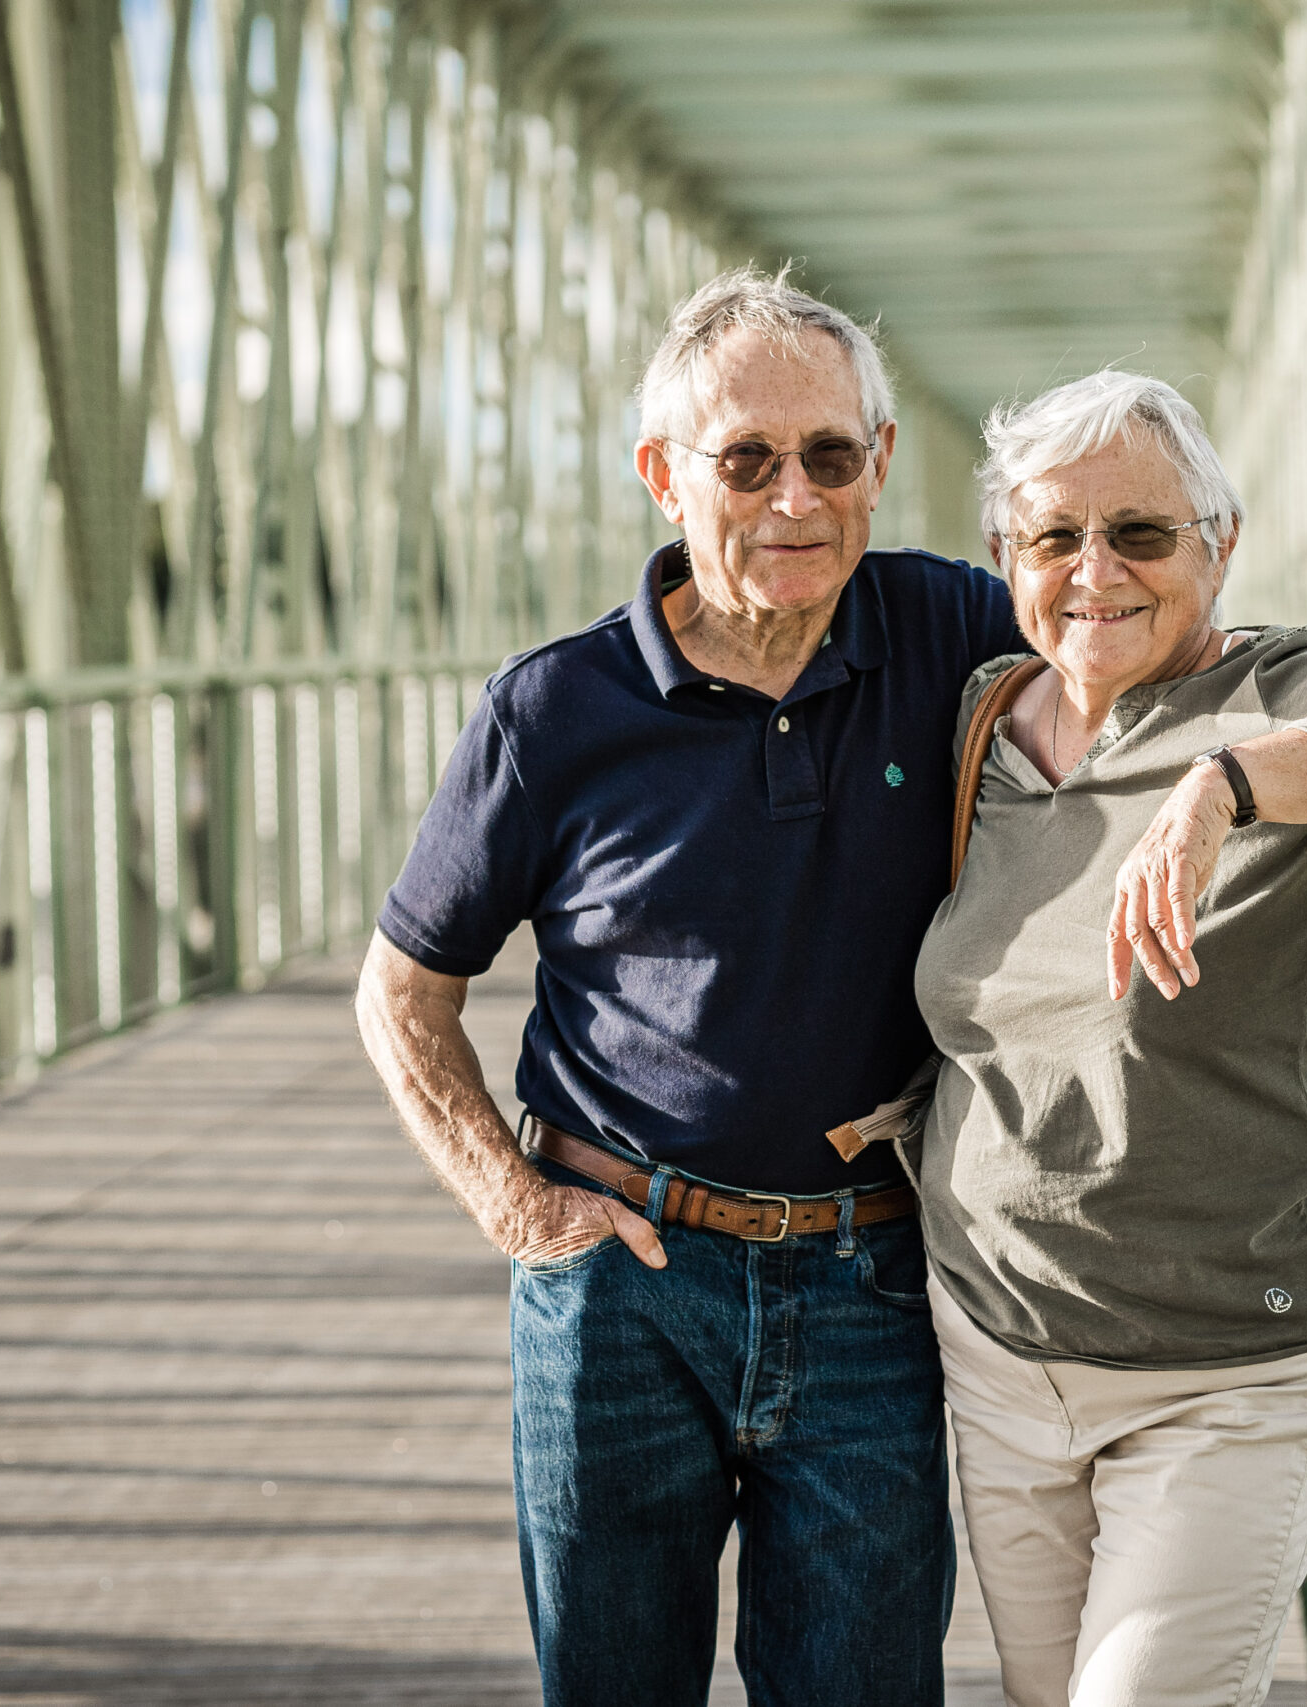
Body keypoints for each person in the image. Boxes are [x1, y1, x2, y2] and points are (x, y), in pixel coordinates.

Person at [354, 267, 1025, 1706]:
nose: (795, 498)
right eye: (746, 462)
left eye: (830, 457)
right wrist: (521, 1212)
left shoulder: (950, 630)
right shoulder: (553, 712)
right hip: (624, 1292)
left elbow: (1148, 644)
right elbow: (402, 994)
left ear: (881, 465)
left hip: (870, 1282)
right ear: (665, 476)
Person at [907, 371, 1307, 1707]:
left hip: (1232, 1363)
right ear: (1006, 561)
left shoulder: (1277, 688)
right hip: (999, 1347)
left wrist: (1225, 786)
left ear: (1220, 543)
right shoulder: (984, 721)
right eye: (1052, 539)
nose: (1095, 572)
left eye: (1141, 534)